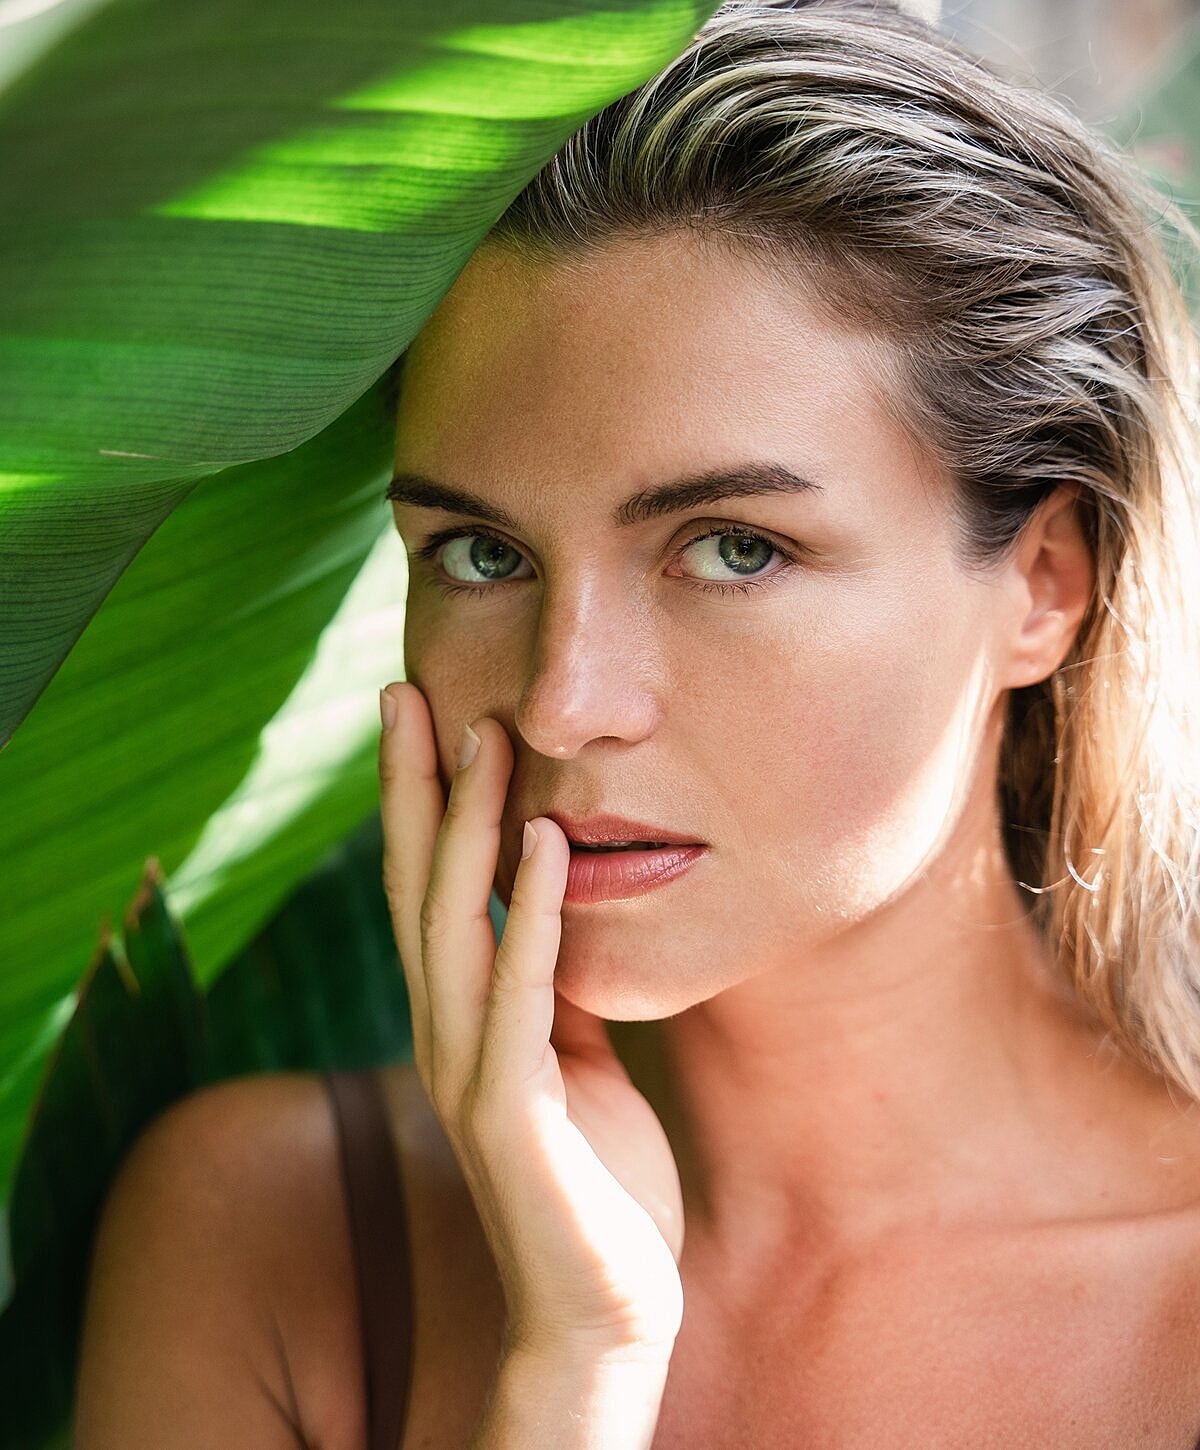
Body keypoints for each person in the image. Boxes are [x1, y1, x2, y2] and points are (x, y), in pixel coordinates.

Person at [73, 0, 1200, 1445]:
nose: (560, 700)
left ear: (1045, 581)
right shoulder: (273, 1237)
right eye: (482, 555)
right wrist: (576, 1371)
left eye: (732, 547)